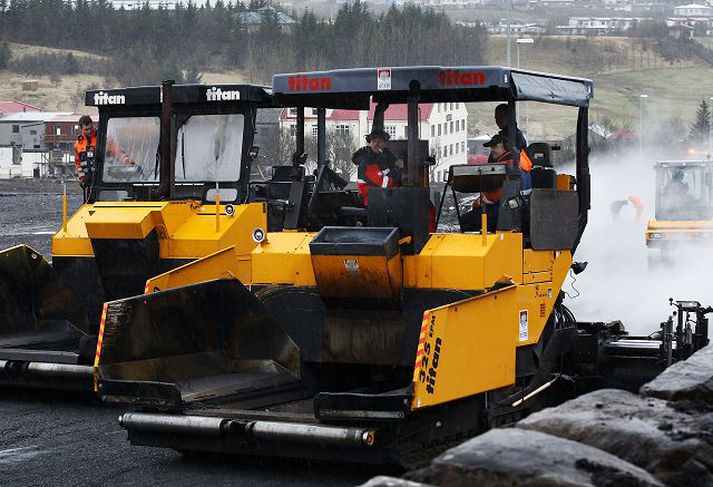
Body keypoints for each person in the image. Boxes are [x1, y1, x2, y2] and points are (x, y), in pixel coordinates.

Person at [460, 134, 532, 232]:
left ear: (505, 147)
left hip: (507, 211)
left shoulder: (506, 167)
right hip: (521, 209)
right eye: (491, 147)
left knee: (466, 220)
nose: (491, 150)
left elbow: (494, 196)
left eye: (495, 147)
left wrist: (478, 202)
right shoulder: (521, 163)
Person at [74, 115, 135, 186]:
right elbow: (78, 163)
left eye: (90, 128)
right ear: (81, 129)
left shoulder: (102, 138)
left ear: (93, 125)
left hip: (103, 180)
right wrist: (82, 178)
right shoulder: (78, 144)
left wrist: (127, 161)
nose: (89, 131)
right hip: (87, 183)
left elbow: (117, 151)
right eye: (86, 129)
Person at [352, 127, 402, 206]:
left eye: (380, 141)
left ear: (384, 143)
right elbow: (384, 183)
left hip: (382, 198)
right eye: (374, 141)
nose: (376, 144)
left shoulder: (385, 158)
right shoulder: (366, 161)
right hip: (372, 201)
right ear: (370, 143)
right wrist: (398, 169)